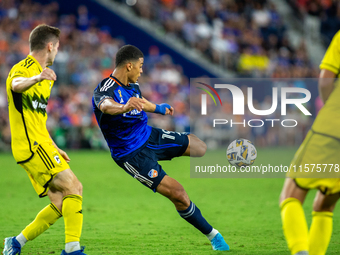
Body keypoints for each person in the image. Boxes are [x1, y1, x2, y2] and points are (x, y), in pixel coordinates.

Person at [92, 44, 229, 251]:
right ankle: (214, 236)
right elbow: (105, 106)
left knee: (200, 147)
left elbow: (141, 102)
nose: (142, 70)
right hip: (132, 155)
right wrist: (123, 107)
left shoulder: (132, 84)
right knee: (179, 195)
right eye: (140, 66)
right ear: (129, 66)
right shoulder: (105, 89)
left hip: (149, 135)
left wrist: (159, 108)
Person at [3, 24, 86, 255]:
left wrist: (55, 146)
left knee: (60, 202)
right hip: (31, 146)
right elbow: (14, 85)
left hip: (40, 144)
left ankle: (16, 242)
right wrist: (37, 77)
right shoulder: (25, 68)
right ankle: (72, 249)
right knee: (74, 187)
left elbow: (37, 118)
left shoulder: (46, 77)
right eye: (57, 47)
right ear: (50, 46)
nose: (57, 52)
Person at [279, 30, 340, 255]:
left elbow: (325, 80)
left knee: (290, 194)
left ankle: (300, 251)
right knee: (325, 205)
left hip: (333, 127)